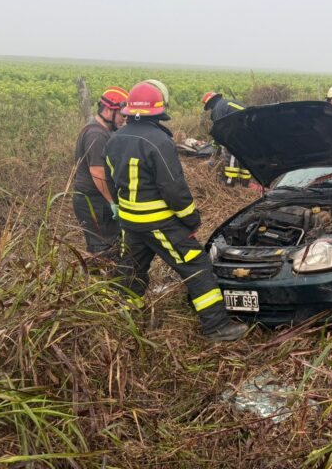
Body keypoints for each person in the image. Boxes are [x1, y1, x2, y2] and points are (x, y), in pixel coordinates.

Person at [104, 81, 248, 342]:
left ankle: (124, 320)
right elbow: (173, 189)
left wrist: (124, 210)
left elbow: (111, 181)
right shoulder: (160, 141)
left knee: (131, 269)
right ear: (159, 108)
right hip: (160, 222)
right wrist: (190, 219)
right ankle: (216, 326)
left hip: (130, 222)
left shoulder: (114, 139)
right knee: (197, 266)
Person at [72, 86, 128, 256]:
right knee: (103, 248)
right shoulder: (96, 134)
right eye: (122, 115)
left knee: (109, 244)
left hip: (98, 201)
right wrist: (112, 202)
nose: (124, 119)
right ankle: (102, 273)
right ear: (108, 110)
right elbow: (97, 172)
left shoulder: (102, 130)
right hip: (94, 202)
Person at [201, 91, 252, 186]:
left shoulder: (218, 108)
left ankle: (229, 182)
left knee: (232, 152)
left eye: (209, 107)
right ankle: (244, 184)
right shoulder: (227, 103)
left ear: (210, 103)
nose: (210, 109)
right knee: (244, 158)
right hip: (250, 131)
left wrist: (216, 143)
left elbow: (219, 128)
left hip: (238, 132)